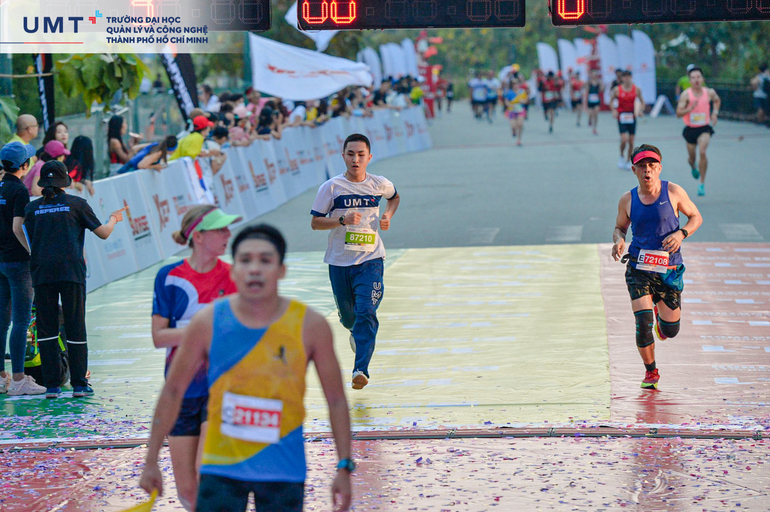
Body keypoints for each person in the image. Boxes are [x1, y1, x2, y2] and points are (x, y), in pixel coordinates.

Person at [139, 225, 353, 512]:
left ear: (281, 270)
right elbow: (172, 391)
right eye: (245, 260)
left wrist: (344, 465)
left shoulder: (310, 326)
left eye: (265, 260)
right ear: (234, 270)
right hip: (221, 468)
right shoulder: (206, 323)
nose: (255, 269)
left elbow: (336, 399)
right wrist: (151, 460)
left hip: (283, 470)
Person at [151, 205, 241, 510]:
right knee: (188, 493)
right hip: (182, 389)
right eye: (220, 229)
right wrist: (204, 331)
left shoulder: (233, 276)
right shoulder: (169, 276)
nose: (228, 233)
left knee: (208, 476)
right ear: (199, 236)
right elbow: (158, 337)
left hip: (220, 387)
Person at [23, 160, 127, 398]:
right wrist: (114, 218)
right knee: (75, 325)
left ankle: (52, 386)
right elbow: (103, 233)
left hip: (42, 273)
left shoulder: (32, 208)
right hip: (71, 272)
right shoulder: (77, 204)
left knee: (47, 329)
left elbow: (21, 231)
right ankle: (79, 384)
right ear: (65, 180)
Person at [310, 134, 400, 390]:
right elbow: (315, 223)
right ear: (343, 156)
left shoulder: (379, 184)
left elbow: (394, 197)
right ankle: (354, 331)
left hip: (371, 260)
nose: (356, 159)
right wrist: (341, 220)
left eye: (361, 155)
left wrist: (388, 215)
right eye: (351, 154)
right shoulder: (331, 187)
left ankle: (360, 369)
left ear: (369, 157)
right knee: (351, 318)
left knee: (366, 311)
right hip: (340, 262)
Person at [611, 144, 702, 390]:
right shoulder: (628, 199)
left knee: (671, 330)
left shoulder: (673, 192)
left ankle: (663, 322)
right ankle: (651, 371)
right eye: (642, 166)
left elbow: (696, 217)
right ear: (634, 170)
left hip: (669, 270)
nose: (647, 170)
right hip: (639, 269)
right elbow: (620, 227)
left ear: (659, 168)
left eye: (652, 165)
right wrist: (619, 240)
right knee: (642, 323)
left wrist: (681, 234)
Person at [0, 142, 46, 396]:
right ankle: (18, 379)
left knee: (2, 320)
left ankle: (1, 377)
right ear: (25, 166)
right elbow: (18, 228)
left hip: (1, 261)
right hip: (18, 263)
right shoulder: (19, 190)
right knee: (20, 321)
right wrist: (32, 252)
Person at [675, 66, 721, 196]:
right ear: (690, 80)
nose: (696, 80)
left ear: (702, 79)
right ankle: (693, 166)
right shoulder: (686, 95)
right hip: (690, 129)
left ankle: (702, 183)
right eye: (693, 78)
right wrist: (689, 109)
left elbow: (717, 100)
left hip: (704, 128)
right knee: (692, 158)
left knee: (702, 151)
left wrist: (715, 113)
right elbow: (678, 113)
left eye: (698, 77)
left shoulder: (709, 92)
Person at [610, 70, 643, 170]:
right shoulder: (617, 89)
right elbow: (611, 101)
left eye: (628, 76)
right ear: (622, 78)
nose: (626, 79)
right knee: (624, 140)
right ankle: (621, 156)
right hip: (622, 116)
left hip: (632, 116)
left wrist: (640, 110)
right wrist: (613, 110)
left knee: (631, 141)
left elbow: (642, 102)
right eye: (625, 77)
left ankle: (628, 160)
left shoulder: (636, 89)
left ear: (631, 77)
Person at [504, 79, 527, 146]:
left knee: (520, 124)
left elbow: (526, 100)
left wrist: (523, 101)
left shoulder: (522, 92)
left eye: (516, 84)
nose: (515, 85)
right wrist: (511, 105)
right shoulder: (509, 92)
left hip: (520, 110)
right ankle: (513, 130)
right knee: (513, 126)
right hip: (512, 110)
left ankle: (519, 140)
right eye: (514, 84)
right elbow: (506, 102)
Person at [583, 69, 604, 135]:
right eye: (593, 74)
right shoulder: (588, 82)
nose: (594, 75)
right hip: (590, 100)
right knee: (591, 114)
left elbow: (602, 89)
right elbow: (586, 90)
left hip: (596, 100)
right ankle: (589, 119)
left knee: (596, 114)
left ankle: (594, 128)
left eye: (595, 74)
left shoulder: (598, 82)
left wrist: (601, 86)